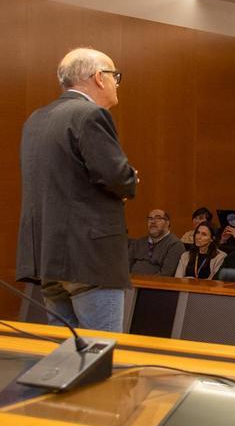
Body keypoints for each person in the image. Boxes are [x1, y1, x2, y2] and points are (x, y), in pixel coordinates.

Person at [21, 56, 137, 320]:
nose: (116, 84)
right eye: (114, 76)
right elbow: (117, 177)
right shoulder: (91, 114)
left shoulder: (36, 119)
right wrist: (131, 179)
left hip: (48, 256)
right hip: (89, 259)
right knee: (99, 352)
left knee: (66, 356)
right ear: (99, 77)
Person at [129, 210, 186, 276]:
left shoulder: (175, 245)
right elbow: (126, 265)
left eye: (158, 218)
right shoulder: (139, 242)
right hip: (130, 283)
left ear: (167, 223)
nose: (153, 221)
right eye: (150, 219)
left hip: (154, 284)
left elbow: (166, 274)